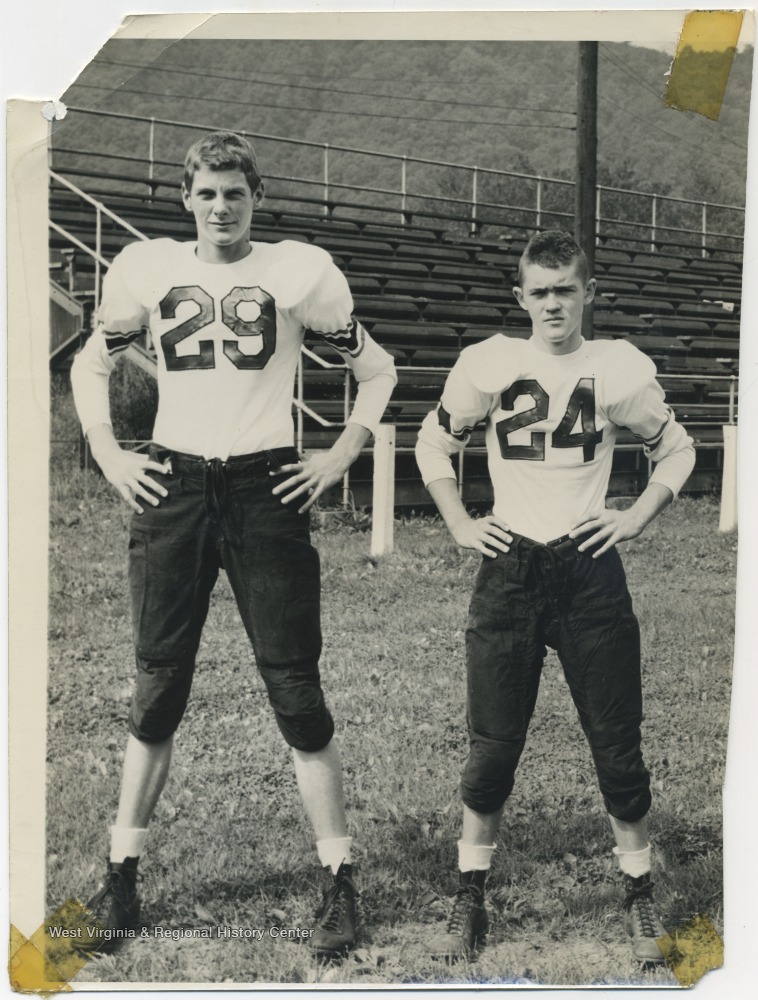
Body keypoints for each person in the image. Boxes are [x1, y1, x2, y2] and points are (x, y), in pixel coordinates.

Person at [70, 130, 397, 958]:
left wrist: (342, 452)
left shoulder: (298, 272)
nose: (221, 208)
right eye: (207, 193)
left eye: (235, 194)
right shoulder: (147, 270)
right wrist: (111, 454)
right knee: (156, 691)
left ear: (257, 199)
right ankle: (122, 878)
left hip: (264, 489)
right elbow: (89, 366)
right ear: (186, 198)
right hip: (175, 490)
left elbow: (379, 370)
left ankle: (337, 879)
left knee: (296, 691)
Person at [415, 229, 695, 965]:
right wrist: (458, 523)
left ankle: (638, 892)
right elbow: (431, 443)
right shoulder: (489, 362)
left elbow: (680, 446)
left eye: (565, 289)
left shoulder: (618, 366)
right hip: (508, 566)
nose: (552, 304)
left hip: (587, 569)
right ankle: (470, 894)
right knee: (492, 745)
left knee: (617, 742)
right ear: (520, 297)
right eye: (538, 292)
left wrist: (635, 516)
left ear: (588, 294)